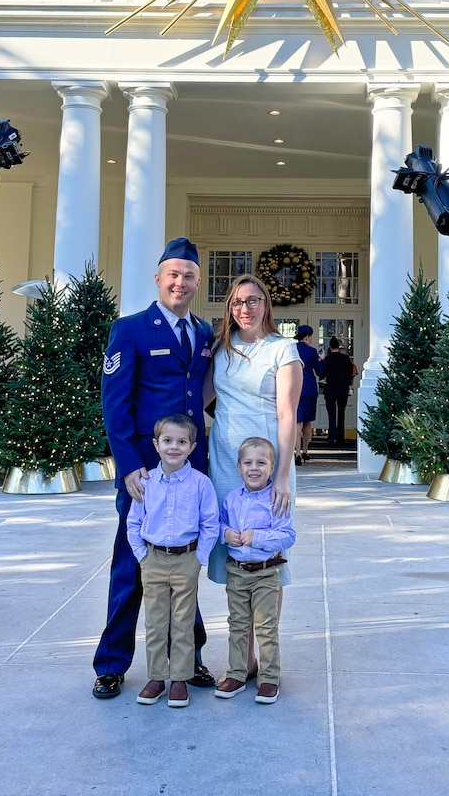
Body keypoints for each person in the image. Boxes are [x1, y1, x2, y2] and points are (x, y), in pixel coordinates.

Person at [93, 237, 216, 700]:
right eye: (173, 274)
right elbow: (115, 404)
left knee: (184, 562)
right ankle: (111, 664)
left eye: (188, 276)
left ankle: (189, 657)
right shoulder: (129, 330)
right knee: (132, 564)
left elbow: (202, 393)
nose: (180, 283)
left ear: (197, 283)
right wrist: (127, 465)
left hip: (190, 472)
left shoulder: (204, 333)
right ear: (159, 279)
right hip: (144, 473)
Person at [205, 274, 300, 680]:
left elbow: (287, 414)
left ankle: (269, 654)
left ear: (266, 304)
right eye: (238, 302)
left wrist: (281, 474)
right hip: (226, 459)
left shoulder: (284, 349)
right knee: (234, 553)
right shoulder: (220, 349)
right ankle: (241, 660)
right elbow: (203, 398)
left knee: (266, 554)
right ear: (230, 307)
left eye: (254, 300)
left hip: (267, 461)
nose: (246, 308)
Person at [126, 415, 219, 708]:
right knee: (154, 622)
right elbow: (133, 522)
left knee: (182, 621)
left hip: (186, 560)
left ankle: (179, 679)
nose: (174, 447)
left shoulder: (201, 484)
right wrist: (142, 556)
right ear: (156, 445)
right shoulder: (146, 482)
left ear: (192, 447)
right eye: (168, 441)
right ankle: (156, 677)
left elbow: (210, 524)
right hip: (153, 559)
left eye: (181, 442)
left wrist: (199, 558)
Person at [214, 437, 295, 705]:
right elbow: (218, 525)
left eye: (261, 463)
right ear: (238, 468)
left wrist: (256, 537)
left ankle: (270, 677)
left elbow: (287, 535)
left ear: (272, 468)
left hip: (265, 573)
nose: (254, 468)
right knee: (237, 624)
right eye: (248, 462)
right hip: (236, 572)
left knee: (265, 626)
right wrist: (226, 534)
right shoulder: (232, 499)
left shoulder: (276, 498)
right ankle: (238, 672)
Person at [293, 325, 323, 463]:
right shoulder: (312, 352)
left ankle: (297, 453)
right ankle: (305, 451)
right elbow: (320, 371)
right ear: (307, 337)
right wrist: (322, 359)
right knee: (307, 422)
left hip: (294, 388)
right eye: (310, 337)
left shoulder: (292, 349)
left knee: (297, 421)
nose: (311, 339)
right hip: (309, 388)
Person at [321, 337, 357, 447]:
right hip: (342, 388)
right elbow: (349, 374)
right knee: (341, 413)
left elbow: (322, 374)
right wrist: (348, 384)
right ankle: (341, 438)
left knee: (331, 414)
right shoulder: (346, 359)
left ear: (330, 347)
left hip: (330, 389)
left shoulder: (327, 359)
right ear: (338, 347)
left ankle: (332, 437)